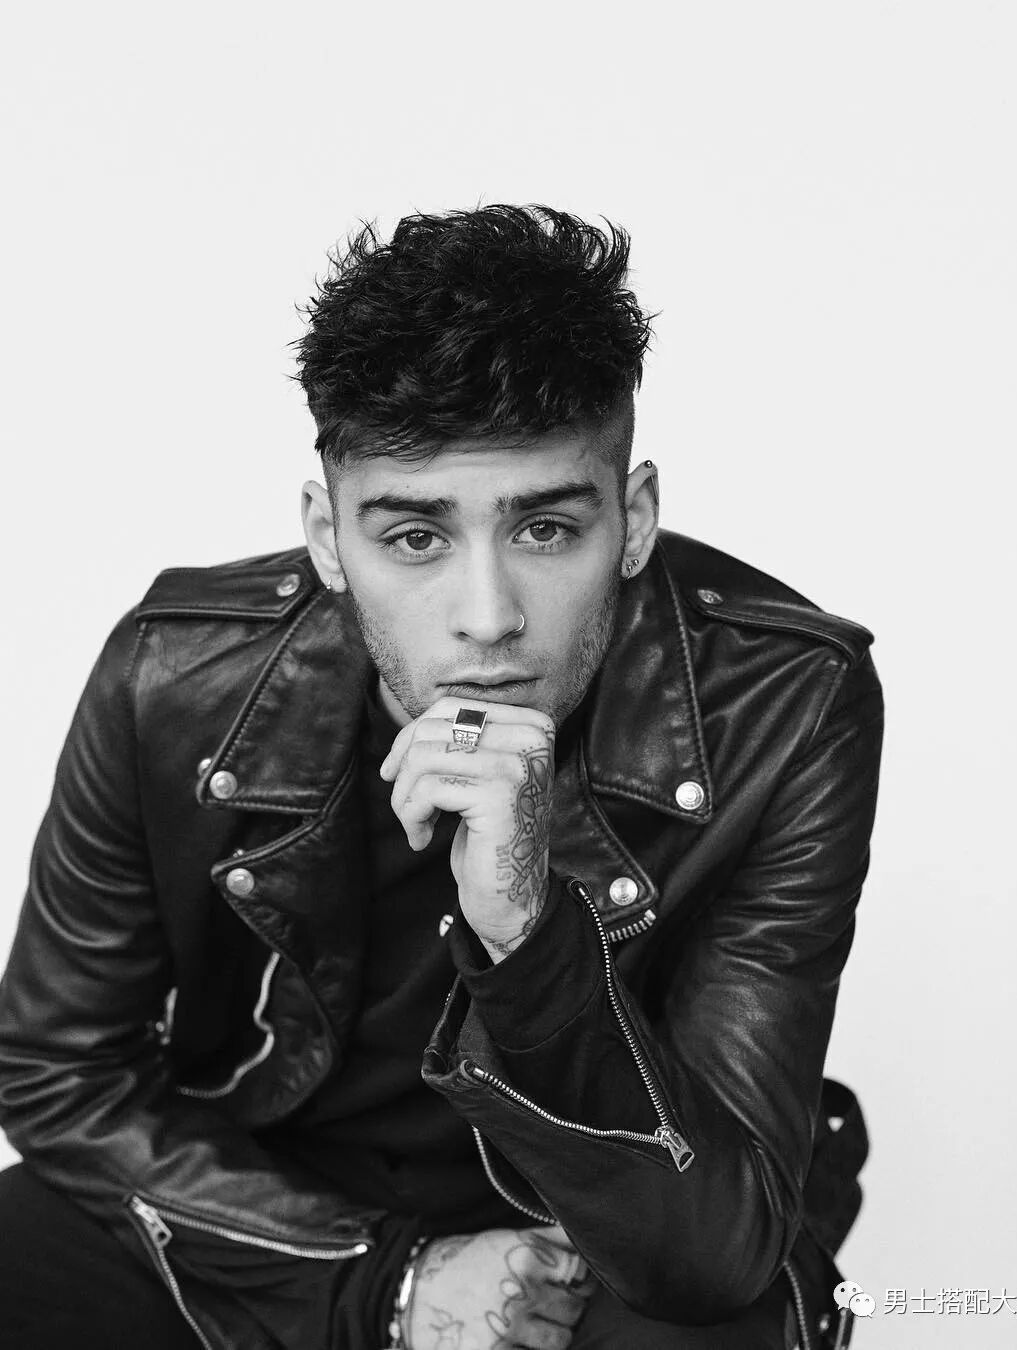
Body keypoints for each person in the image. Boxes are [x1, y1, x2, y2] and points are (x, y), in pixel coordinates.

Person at [0, 205, 883, 1350]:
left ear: (633, 521)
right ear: (328, 537)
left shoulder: (783, 704)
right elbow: (59, 1076)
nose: (487, 618)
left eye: (546, 530)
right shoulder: (175, 679)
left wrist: (530, 932)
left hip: (612, 1203)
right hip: (281, 1199)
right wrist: (390, 1285)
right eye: (415, 538)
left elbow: (712, 1244)